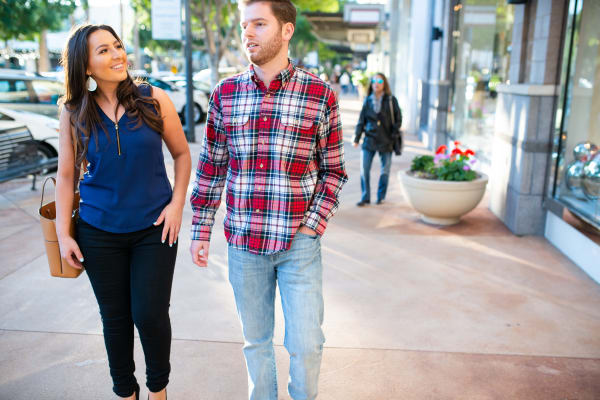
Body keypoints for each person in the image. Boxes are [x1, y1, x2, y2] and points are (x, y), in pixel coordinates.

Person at [189, 1, 347, 399]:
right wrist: (201, 229)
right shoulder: (225, 93)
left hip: (298, 243)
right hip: (244, 244)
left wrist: (312, 226)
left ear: (286, 30)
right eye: (245, 25)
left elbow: (333, 171)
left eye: (259, 24)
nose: (249, 34)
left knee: (306, 344)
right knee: (256, 343)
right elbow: (212, 165)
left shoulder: (320, 94)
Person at [55, 24, 191, 400]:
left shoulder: (153, 99)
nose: (117, 55)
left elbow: (181, 155)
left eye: (117, 46)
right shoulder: (72, 112)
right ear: (85, 65)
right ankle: (125, 392)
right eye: (103, 51)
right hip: (97, 231)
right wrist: (65, 234)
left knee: (149, 314)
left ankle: (158, 390)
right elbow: (65, 177)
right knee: (114, 320)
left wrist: (177, 205)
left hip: (154, 228)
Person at [353, 72, 402, 206]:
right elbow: (361, 121)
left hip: (386, 140)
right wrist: (356, 138)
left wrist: (393, 134)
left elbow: (398, 120)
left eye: (380, 81)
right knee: (364, 169)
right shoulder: (367, 100)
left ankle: (381, 197)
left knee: (385, 171)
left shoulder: (391, 100)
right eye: (374, 81)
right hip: (369, 140)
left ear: (384, 84)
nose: (376, 84)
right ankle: (365, 197)